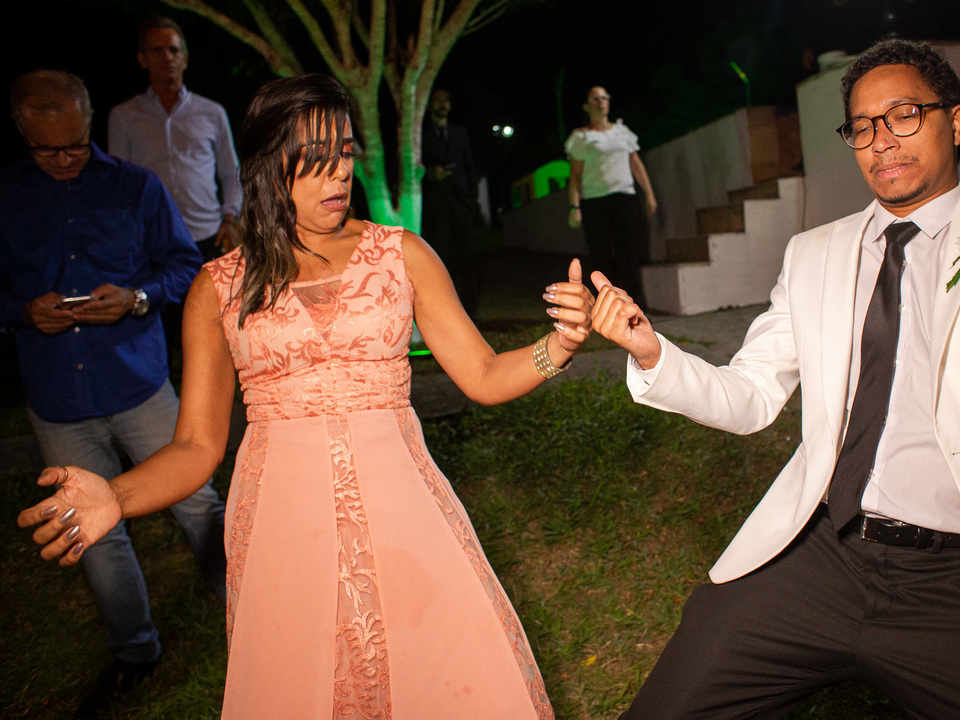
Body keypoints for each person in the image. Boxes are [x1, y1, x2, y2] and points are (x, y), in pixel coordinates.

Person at [20, 73, 595, 719]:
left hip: (404, 507)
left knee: (441, 676)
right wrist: (116, 495)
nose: (339, 176)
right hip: (281, 525)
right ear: (269, 166)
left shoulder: (400, 253)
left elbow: (484, 375)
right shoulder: (219, 287)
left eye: (345, 153)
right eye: (317, 162)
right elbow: (197, 446)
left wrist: (560, 345)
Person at [589, 39, 960, 718]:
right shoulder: (814, 253)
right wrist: (651, 352)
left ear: (955, 122)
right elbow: (752, 396)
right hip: (818, 559)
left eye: (904, 115)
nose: (881, 141)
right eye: (863, 126)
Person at [1, 70, 225, 717]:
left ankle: (244, 602)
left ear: (89, 122)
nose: (65, 159)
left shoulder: (135, 186)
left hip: (136, 378)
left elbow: (185, 266)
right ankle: (136, 650)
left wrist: (137, 298)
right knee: (91, 524)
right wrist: (22, 310)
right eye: (49, 150)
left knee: (196, 499)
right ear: (23, 134)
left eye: (74, 143)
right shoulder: (7, 196)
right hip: (56, 392)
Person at [109, 17, 242, 261]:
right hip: (152, 239)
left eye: (174, 50)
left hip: (207, 234)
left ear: (186, 58)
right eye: (157, 50)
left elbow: (230, 171)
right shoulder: (124, 116)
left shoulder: (212, 112)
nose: (167, 57)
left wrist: (230, 219)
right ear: (142, 59)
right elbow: (119, 182)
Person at [565, 85, 657, 310]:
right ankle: (608, 312)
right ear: (587, 106)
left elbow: (636, 164)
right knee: (602, 260)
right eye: (595, 98)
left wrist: (650, 196)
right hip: (595, 203)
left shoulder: (621, 132)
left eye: (605, 97)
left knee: (630, 257)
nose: (601, 101)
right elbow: (575, 176)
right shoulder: (581, 136)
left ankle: (638, 310)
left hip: (625, 201)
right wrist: (574, 206)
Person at [421, 87, 480, 316]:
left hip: (461, 203)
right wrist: (430, 173)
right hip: (437, 207)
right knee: (441, 259)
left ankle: (471, 312)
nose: (442, 104)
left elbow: (470, 166)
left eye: (446, 100)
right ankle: (446, 312)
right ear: (429, 105)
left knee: (467, 258)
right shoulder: (422, 134)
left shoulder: (459, 133)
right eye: (437, 101)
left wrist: (471, 199)